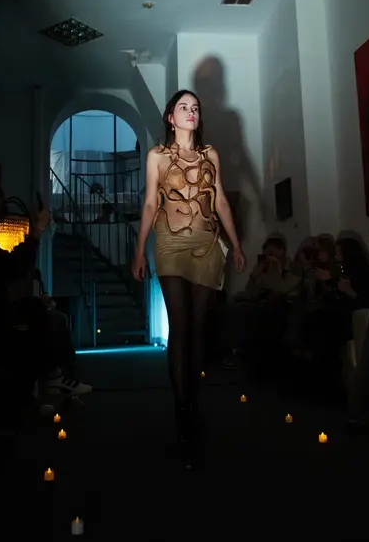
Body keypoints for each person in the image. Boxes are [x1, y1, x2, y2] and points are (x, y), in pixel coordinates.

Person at [131, 90, 246, 464]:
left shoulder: (210, 154)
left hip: (208, 244)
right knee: (179, 326)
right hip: (169, 243)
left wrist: (236, 244)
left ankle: (193, 399)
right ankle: (182, 407)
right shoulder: (157, 156)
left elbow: (221, 200)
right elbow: (151, 202)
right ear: (170, 117)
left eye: (195, 107)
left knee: (198, 327)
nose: (191, 112)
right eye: (183, 107)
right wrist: (139, 249)